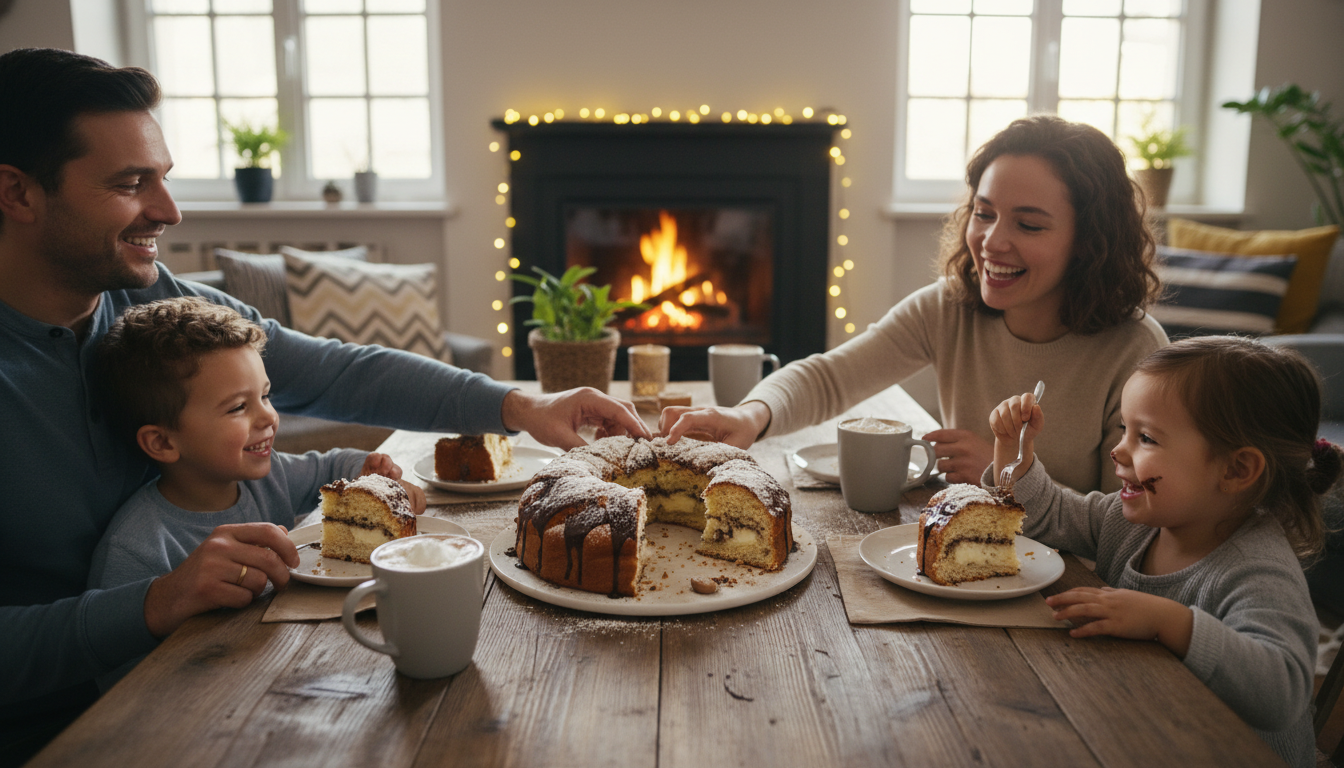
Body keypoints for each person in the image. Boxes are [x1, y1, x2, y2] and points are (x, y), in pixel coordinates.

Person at [0, 47, 648, 762]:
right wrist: (154, 602)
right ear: (18, 193)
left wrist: (521, 405)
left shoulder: (153, 302)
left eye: (164, 178)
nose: (169, 210)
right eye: (130, 184)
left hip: (215, 663)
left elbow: (343, 371)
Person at [660, 115, 1166, 494]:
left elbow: (1126, 519)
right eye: (984, 214)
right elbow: (829, 378)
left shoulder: (1135, 351)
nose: (991, 241)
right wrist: (750, 416)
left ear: (1089, 240)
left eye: (1028, 224)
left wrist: (1007, 476)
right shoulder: (950, 309)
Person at [988, 336, 1337, 768]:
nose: (1118, 450)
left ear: (1236, 469)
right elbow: (1050, 515)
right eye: (1124, 430)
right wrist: (1015, 454)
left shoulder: (1258, 572)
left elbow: (1281, 691)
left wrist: (1168, 621)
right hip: (1146, 727)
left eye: (1146, 438)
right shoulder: (1131, 520)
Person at [87, 297, 430, 688]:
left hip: (285, 668)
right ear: (162, 443)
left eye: (265, 396)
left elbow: (335, 464)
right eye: (237, 407)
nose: (268, 417)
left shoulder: (267, 477)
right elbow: (117, 679)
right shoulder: (136, 547)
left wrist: (372, 474)